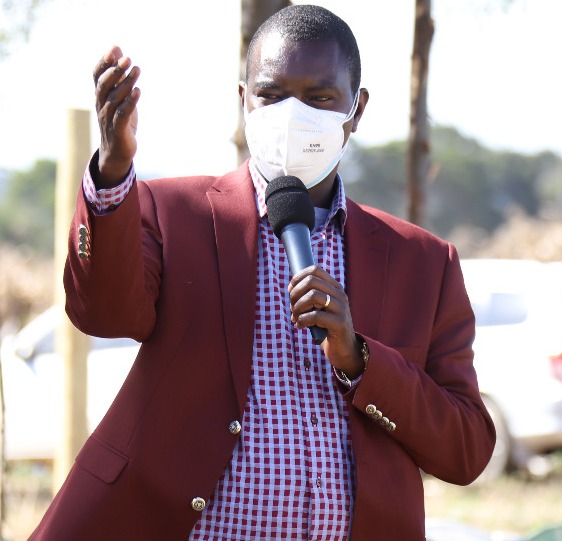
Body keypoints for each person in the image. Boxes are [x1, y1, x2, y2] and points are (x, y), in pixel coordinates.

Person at [30, 5, 495, 541]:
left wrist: (361, 360)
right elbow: (102, 312)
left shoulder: (423, 262)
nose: (292, 117)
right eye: (272, 96)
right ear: (243, 101)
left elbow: (466, 450)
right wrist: (113, 171)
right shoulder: (174, 213)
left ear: (356, 109)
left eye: (319, 98)